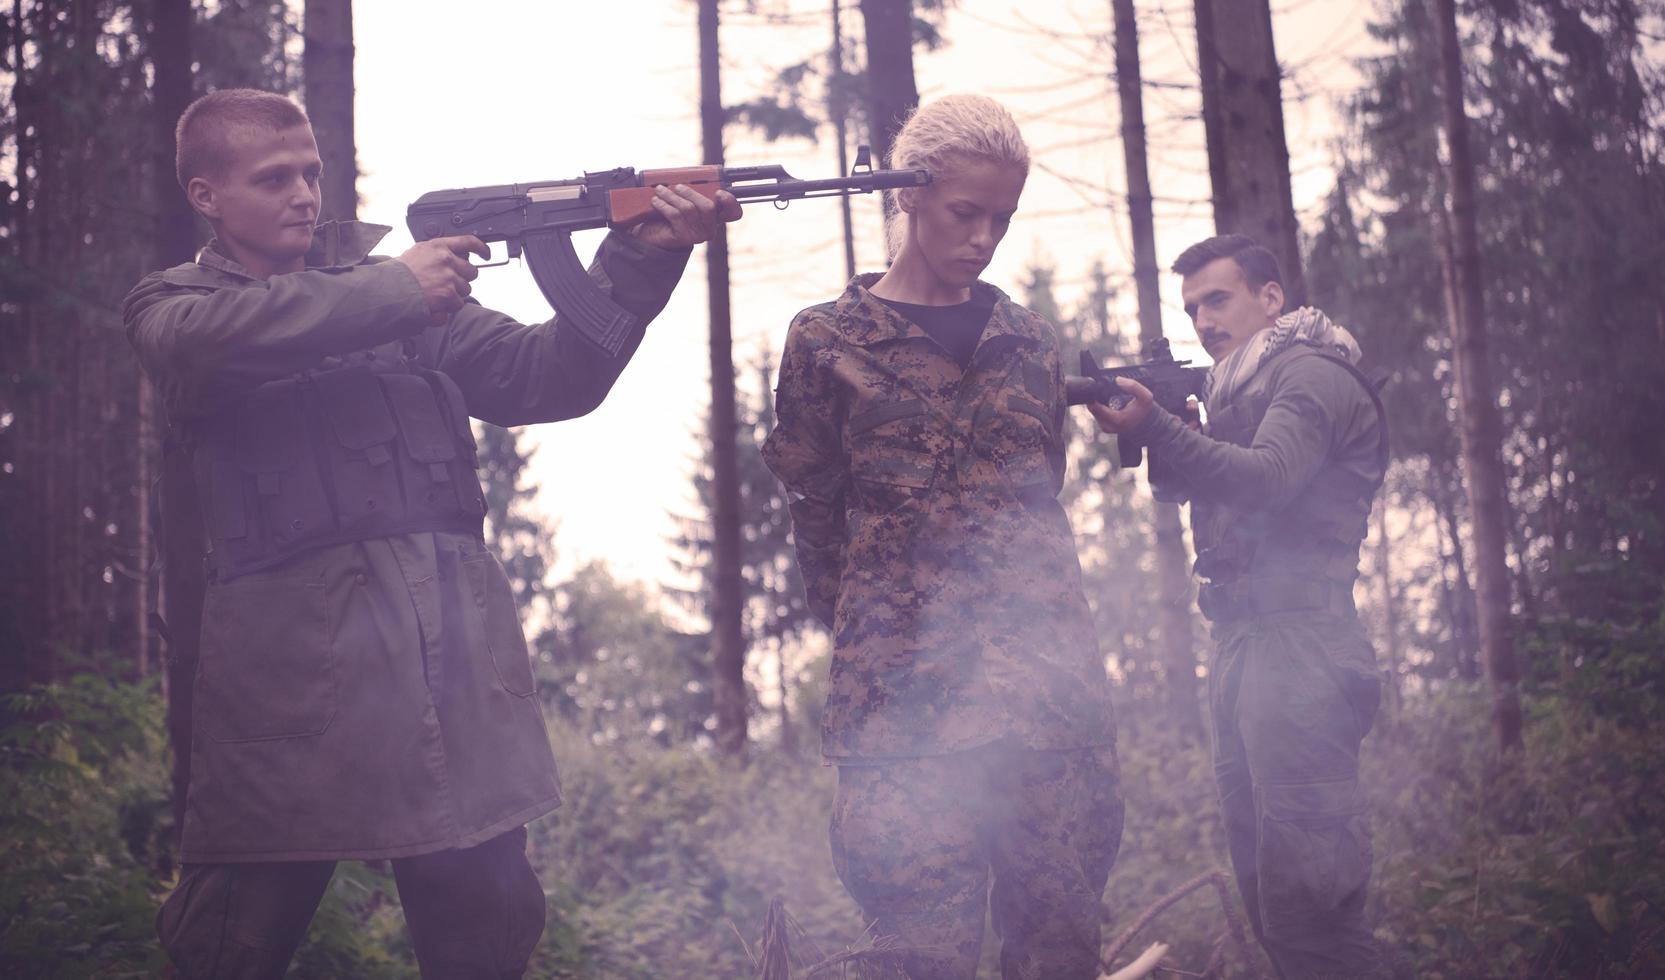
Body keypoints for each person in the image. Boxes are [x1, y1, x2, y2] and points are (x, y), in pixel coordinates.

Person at [125, 88, 739, 979]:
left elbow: (547, 378)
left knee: (485, 939)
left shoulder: (414, 307)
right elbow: (194, 342)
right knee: (229, 944)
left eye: (310, 173)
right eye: (273, 178)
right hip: (286, 700)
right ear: (205, 195)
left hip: (452, 683)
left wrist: (637, 261)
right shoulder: (178, 303)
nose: (303, 193)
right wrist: (392, 290)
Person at [761, 94, 1122, 980]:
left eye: (1001, 217)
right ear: (908, 196)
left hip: (1048, 709)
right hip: (905, 715)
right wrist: (883, 637)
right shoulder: (826, 342)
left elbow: (1045, 496)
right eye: (967, 212)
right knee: (917, 956)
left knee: (1061, 947)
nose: (983, 238)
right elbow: (815, 515)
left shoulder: (1027, 341)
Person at [1088, 234, 1390, 979]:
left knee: (1312, 917)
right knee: (1272, 913)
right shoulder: (1239, 391)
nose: (1202, 319)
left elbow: (1266, 478)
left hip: (1303, 651)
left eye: (1217, 299)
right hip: (1245, 649)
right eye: (1192, 307)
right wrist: (1175, 433)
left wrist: (1157, 425)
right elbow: (1193, 485)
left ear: (1271, 298)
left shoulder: (1310, 377)